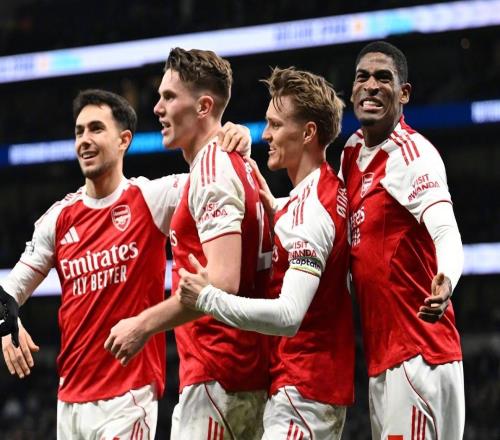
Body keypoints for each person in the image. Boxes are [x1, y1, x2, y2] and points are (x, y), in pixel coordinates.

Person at [0, 88, 250, 439]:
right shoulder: (57, 219)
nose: (84, 140)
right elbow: (7, 292)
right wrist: (6, 325)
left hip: (129, 396)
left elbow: (218, 177)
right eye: (79, 131)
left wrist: (235, 139)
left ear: (124, 140)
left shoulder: (152, 198)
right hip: (69, 401)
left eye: (96, 129)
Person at [177, 67, 355, 440]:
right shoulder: (321, 190)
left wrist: (208, 298)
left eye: (275, 124)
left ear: (307, 133)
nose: (265, 135)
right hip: (306, 388)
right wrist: (272, 204)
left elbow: (289, 316)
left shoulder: (309, 213)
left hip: (305, 394)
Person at [104, 48, 272, 439]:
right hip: (242, 375)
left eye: (169, 97)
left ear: (203, 106)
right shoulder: (240, 164)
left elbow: (223, 280)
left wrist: (142, 325)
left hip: (220, 374)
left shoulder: (213, 169)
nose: (157, 108)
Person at [340, 41, 464, 439]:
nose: (371, 85)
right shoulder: (352, 152)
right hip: (386, 358)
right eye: (362, 77)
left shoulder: (413, 155)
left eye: (383, 78)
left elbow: (445, 230)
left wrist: (447, 278)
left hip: (419, 355)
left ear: (403, 93)